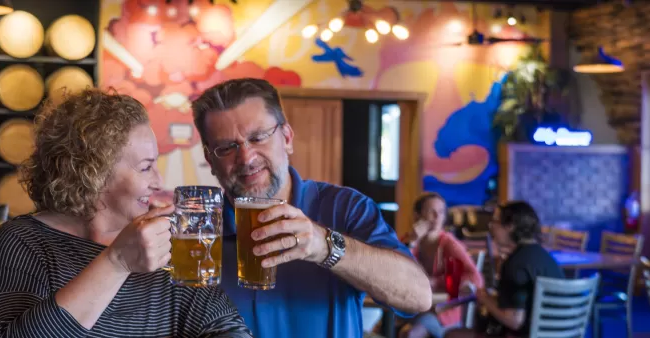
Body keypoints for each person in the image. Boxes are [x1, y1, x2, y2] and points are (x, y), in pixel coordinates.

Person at [0, 89, 251, 338]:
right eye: (145, 167)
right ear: (93, 174)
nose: (158, 181)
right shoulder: (22, 243)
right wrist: (116, 262)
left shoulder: (163, 246)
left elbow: (225, 326)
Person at [190, 78, 432, 338]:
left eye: (258, 137)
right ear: (210, 160)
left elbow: (418, 296)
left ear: (287, 138)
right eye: (227, 147)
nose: (246, 158)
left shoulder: (345, 208)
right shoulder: (195, 230)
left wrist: (325, 245)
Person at [445, 201, 564, 338]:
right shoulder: (544, 256)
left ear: (510, 226)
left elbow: (514, 320)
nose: (491, 226)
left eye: (495, 222)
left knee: (452, 335)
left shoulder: (516, 263)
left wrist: (484, 298)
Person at [400, 192, 483, 338]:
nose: (437, 217)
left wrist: (436, 281)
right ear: (417, 216)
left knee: (410, 333)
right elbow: (395, 268)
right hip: (409, 307)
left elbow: (475, 278)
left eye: (441, 212)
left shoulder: (449, 244)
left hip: (441, 312)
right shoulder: (408, 241)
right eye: (431, 212)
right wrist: (412, 242)